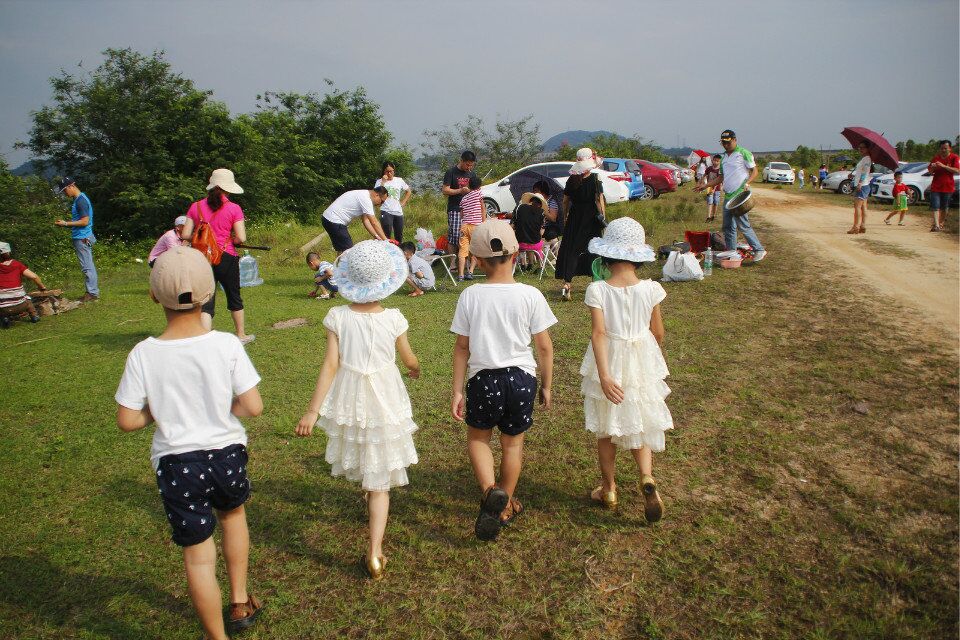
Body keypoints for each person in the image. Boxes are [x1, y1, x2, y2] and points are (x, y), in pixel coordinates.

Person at [115, 246, 264, 640]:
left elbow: (127, 420)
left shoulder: (143, 354)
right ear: (209, 293)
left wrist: (156, 411)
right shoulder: (227, 344)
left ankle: (217, 636)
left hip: (178, 464)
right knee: (233, 517)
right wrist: (222, 405)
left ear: (153, 295)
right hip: (227, 455)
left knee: (198, 557)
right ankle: (239, 600)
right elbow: (253, 406)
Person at [295, 240, 420, 581]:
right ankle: (375, 552)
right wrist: (414, 367)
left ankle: (370, 491)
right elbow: (408, 358)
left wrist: (313, 411)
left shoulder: (337, 316)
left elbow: (330, 364)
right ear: (387, 280)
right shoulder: (394, 318)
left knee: (364, 444)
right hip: (385, 394)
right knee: (380, 480)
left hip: (350, 395)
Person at [450, 220, 556, 541]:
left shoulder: (470, 295)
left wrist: (457, 390)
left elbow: (462, 348)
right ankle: (505, 503)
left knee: (478, 439)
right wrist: (547, 385)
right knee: (513, 445)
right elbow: (544, 347)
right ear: (515, 254)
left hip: (483, 380)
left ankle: (489, 491)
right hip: (522, 379)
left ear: (478, 260)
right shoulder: (530, 294)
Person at [580, 217, 671, 520]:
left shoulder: (598, 290)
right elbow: (658, 332)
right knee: (638, 423)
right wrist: (648, 357)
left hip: (610, 360)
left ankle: (608, 489)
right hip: (641, 360)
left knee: (607, 429)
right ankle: (646, 477)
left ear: (606, 254)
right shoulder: (651, 288)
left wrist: (605, 376)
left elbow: (598, 334)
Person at [180, 168, 254, 344]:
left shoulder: (196, 207)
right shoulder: (234, 208)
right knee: (234, 295)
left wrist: (200, 237)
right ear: (228, 188)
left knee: (206, 299)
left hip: (202, 258)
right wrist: (231, 239)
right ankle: (241, 335)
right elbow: (241, 237)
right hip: (226, 256)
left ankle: (204, 337)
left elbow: (185, 234)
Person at [695, 131, 766, 261]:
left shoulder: (743, 153)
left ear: (734, 140)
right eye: (723, 142)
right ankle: (732, 252)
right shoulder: (724, 158)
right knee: (728, 226)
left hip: (739, 195)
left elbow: (754, 171)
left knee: (743, 224)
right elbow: (721, 177)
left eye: (728, 142)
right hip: (728, 196)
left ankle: (759, 249)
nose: (726, 145)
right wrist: (706, 186)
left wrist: (748, 183)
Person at [556, 148, 607, 300]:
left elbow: (565, 201)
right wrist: (603, 217)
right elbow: (599, 200)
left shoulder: (571, 180)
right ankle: (596, 282)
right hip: (591, 219)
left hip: (574, 218)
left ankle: (567, 284)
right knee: (594, 249)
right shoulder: (595, 179)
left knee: (572, 250)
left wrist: (565, 217)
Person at [54, 177, 99, 302]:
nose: (64, 193)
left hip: (82, 237)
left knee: (87, 267)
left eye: (64, 190)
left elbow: (85, 221)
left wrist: (65, 223)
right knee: (87, 265)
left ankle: (92, 293)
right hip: (82, 237)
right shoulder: (79, 199)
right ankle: (91, 292)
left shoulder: (80, 201)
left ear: (71, 186)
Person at [321, 187, 390, 253]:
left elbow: (365, 220)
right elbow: (374, 222)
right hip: (334, 220)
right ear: (377, 195)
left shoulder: (364, 195)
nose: (380, 204)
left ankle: (339, 261)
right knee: (348, 251)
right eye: (382, 201)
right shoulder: (365, 199)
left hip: (329, 219)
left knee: (342, 250)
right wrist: (385, 240)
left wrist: (376, 235)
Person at [0, 241, 46, 328]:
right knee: (28, 300)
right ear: (8, 252)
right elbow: (34, 277)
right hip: (21, 305)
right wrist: (42, 287)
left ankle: (5, 318)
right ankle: (34, 316)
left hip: (3, 308)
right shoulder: (17, 264)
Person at [442, 151, 477, 255]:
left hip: (469, 209)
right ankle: (454, 260)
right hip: (455, 208)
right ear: (461, 160)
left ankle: (464, 258)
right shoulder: (451, 172)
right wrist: (460, 190)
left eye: (471, 165)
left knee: (468, 234)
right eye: (467, 165)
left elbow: (475, 189)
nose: (469, 167)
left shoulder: (472, 174)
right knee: (455, 235)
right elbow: (445, 190)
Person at [375, 161, 412, 242]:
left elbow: (408, 191)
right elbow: (377, 195)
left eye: (391, 171)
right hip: (386, 211)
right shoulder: (379, 182)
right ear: (383, 172)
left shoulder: (399, 180)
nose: (389, 173)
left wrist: (403, 202)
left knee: (399, 235)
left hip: (398, 211)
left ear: (394, 170)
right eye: (387, 171)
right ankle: (386, 249)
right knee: (386, 235)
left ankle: (399, 249)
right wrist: (383, 182)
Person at [927, 140, 959, 232]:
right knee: (935, 206)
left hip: (948, 186)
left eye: (945, 148)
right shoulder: (936, 158)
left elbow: (957, 170)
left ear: (950, 148)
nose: (943, 150)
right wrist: (933, 167)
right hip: (936, 186)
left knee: (944, 207)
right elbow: (930, 172)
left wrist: (943, 166)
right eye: (941, 148)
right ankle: (936, 225)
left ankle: (941, 223)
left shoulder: (954, 157)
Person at [457, 176, 484, 280]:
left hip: (464, 227)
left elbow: (461, 215)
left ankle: (460, 275)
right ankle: (470, 272)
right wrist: (484, 222)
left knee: (462, 251)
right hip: (475, 226)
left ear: (469, 185)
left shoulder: (464, 198)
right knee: (476, 250)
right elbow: (483, 209)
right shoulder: (479, 193)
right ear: (479, 186)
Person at [512, 192, 546, 270]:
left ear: (531, 200)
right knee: (536, 243)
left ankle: (523, 264)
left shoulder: (520, 208)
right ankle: (540, 266)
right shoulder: (541, 213)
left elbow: (514, 224)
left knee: (524, 239)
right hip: (535, 244)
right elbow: (541, 232)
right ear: (540, 204)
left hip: (521, 244)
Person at [848, 141, 873, 234]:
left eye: (863, 147)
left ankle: (856, 227)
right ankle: (862, 225)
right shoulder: (865, 159)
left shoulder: (867, 159)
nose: (860, 149)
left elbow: (865, 172)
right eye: (860, 147)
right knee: (863, 207)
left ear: (867, 149)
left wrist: (860, 183)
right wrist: (853, 176)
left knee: (857, 207)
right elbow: (861, 172)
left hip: (863, 185)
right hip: (863, 184)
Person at [533, 180, 562, 249]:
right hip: (537, 226)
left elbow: (553, 219)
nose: (534, 193)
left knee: (551, 234)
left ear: (543, 192)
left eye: (536, 191)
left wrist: (543, 209)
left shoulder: (552, 202)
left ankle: (555, 252)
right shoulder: (535, 202)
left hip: (549, 227)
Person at [701, 154, 722, 222]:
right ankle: (708, 216)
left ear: (720, 162)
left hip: (717, 188)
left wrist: (714, 189)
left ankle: (713, 215)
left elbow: (719, 181)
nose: (715, 162)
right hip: (709, 187)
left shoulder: (720, 170)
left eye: (717, 161)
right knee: (710, 202)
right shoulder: (709, 168)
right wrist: (702, 181)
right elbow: (704, 175)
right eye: (714, 160)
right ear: (712, 160)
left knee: (715, 202)